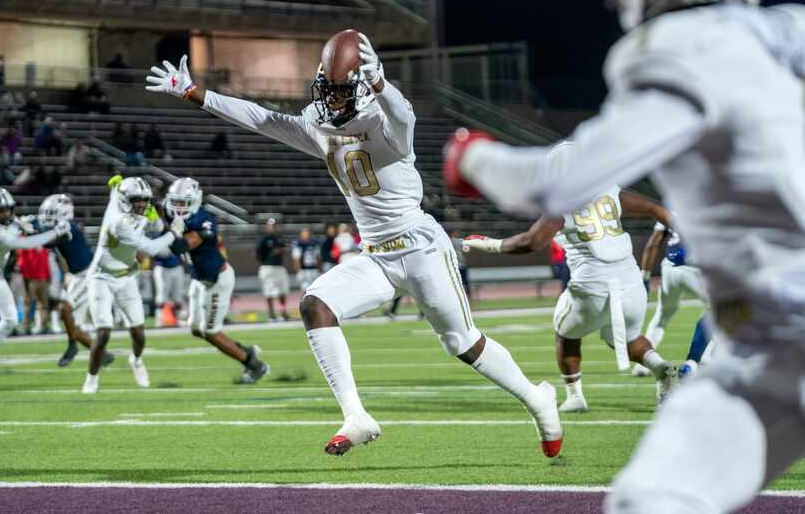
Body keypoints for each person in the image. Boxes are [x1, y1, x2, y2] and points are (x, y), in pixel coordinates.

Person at [443, 0, 805, 511]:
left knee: (652, 500)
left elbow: (556, 183)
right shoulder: (791, 29)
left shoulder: (679, 45)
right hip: (765, 346)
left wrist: (474, 158)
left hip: (779, 344)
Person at [145, 30, 563, 458]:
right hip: (377, 256)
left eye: (343, 91)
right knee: (315, 304)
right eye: (328, 89)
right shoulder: (319, 123)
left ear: (365, 85)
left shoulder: (385, 122)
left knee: (463, 343)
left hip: (420, 248)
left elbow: (404, 117)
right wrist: (197, 94)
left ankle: (536, 399)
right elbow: (262, 119)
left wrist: (383, 84)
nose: (333, 100)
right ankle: (356, 415)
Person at [463, 180, 675, 412]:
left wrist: (488, 244)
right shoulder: (610, 190)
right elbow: (655, 208)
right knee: (629, 338)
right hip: (631, 282)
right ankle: (659, 367)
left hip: (592, 285)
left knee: (566, 333)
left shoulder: (563, 203)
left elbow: (529, 242)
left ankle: (575, 396)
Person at [163, 177, 269, 383]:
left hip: (217, 280)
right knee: (196, 329)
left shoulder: (206, 219)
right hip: (199, 280)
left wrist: (170, 233)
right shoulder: (171, 214)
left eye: (183, 203)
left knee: (210, 332)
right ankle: (245, 351)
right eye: (174, 202)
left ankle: (254, 365)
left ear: (194, 201)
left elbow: (182, 246)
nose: (177, 208)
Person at [82, 176, 178, 393]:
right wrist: (173, 233)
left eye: (145, 200)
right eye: (137, 200)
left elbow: (152, 223)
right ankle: (92, 377)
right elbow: (152, 248)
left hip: (126, 276)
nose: (142, 204)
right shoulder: (119, 222)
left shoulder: (128, 204)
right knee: (103, 332)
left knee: (138, 333)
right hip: (102, 277)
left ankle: (136, 360)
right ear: (126, 200)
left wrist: (158, 220)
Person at [0, 188, 70, 375]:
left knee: (10, 320)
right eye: (0, 212)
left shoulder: (6, 220)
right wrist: (55, 232)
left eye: (8, 209)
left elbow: (19, 222)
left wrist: (28, 221)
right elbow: (27, 244)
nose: (6, 214)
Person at [34, 194, 115, 367]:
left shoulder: (68, 228)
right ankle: (103, 355)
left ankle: (72, 346)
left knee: (65, 308)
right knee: (73, 326)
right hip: (78, 276)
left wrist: (29, 228)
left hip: (89, 274)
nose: (47, 218)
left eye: (51, 213)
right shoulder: (61, 225)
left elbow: (48, 242)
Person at [632, 220, 711, 379]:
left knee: (662, 314)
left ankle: (644, 364)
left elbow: (653, 243)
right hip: (694, 269)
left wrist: (645, 276)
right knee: (718, 312)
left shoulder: (671, 206)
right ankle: (696, 361)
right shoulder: (710, 204)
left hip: (669, 268)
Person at [256, 218, 290, 321]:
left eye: (274, 226)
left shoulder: (279, 238)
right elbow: (258, 253)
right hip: (268, 267)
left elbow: (283, 250)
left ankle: (283, 312)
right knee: (268, 291)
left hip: (279, 267)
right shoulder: (264, 239)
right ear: (267, 226)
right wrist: (266, 261)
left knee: (283, 290)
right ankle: (271, 314)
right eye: (270, 225)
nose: (272, 227)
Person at [17, 245, 51, 334]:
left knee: (43, 304)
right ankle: (25, 327)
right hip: (31, 278)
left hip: (43, 278)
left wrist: (48, 275)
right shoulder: (27, 243)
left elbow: (45, 261)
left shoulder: (42, 244)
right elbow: (22, 262)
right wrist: (26, 277)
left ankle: (43, 326)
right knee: (28, 303)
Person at [152, 247, 185, 327]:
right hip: (162, 267)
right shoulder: (157, 235)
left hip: (177, 267)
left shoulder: (177, 235)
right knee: (161, 296)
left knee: (178, 296)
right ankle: (159, 319)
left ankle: (179, 319)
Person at [292, 226, 321, 291]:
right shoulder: (298, 244)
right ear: (301, 234)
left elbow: (318, 257)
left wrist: (319, 269)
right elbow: (296, 259)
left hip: (313, 269)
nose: (306, 235)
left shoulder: (315, 243)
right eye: (304, 233)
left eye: (308, 233)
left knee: (315, 291)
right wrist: (299, 271)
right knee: (306, 291)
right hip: (304, 270)